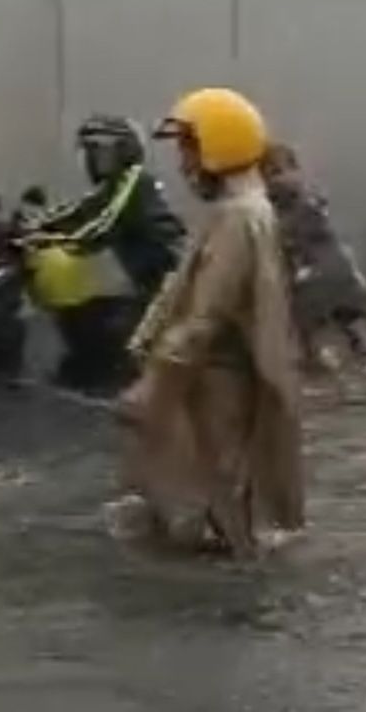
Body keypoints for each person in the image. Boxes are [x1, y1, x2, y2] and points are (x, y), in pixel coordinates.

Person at [120, 88, 304, 557]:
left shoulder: (237, 217)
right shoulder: (245, 210)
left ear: (218, 143)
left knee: (221, 495)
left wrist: (155, 382)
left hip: (218, 382)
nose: (183, 164)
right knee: (218, 489)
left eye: (188, 147)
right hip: (221, 378)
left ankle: (239, 598)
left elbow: (206, 314)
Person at [32, 115, 185, 302]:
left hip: (173, 285)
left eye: (96, 149)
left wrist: (50, 239)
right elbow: (79, 210)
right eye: (88, 151)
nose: (89, 158)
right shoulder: (113, 187)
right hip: (154, 286)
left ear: (122, 150)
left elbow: (102, 226)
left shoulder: (133, 181)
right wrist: (32, 225)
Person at [260, 142, 366, 371]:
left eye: (279, 172)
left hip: (319, 273)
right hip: (327, 271)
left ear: (296, 170)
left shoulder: (302, 206)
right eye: (268, 175)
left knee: (334, 322)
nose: (275, 181)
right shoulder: (299, 203)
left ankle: (334, 359)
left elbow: (292, 236)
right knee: (341, 322)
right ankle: (348, 358)